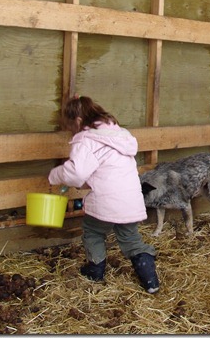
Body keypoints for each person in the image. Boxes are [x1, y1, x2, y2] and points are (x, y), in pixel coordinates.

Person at [48, 96, 160, 294]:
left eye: (70, 126)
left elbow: (76, 173)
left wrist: (54, 175)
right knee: (131, 239)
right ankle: (150, 279)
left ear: (79, 121)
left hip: (106, 201)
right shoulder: (120, 136)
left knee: (93, 231)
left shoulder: (87, 141)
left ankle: (95, 270)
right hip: (131, 200)